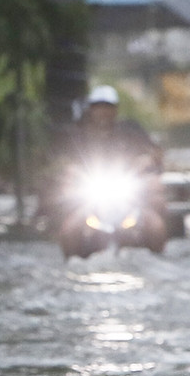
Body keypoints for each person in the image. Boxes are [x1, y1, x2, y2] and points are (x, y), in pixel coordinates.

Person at [53, 84, 168, 254]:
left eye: (108, 106)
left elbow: (152, 153)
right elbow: (65, 161)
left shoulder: (130, 129)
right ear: (91, 110)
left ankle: (158, 253)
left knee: (155, 222)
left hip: (130, 190)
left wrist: (145, 161)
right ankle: (71, 258)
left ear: (116, 109)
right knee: (70, 228)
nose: (103, 112)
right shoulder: (79, 134)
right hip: (90, 191)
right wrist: (71, 171)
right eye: (98, 107)